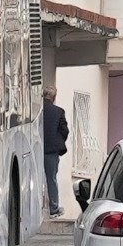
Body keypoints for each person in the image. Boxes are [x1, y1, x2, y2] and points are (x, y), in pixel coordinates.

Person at [40, 88, 69, 217]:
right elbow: (65, 130)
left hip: (36, 148)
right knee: (51, 178)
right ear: (54, 97)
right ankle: (53, 208)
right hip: (51, 151)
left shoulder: (37, 111)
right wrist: (58, 141)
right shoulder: (58, 111)